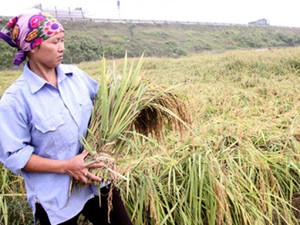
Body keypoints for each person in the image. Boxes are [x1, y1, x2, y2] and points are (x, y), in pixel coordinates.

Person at [0, 9, 132, 225]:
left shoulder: (76, 76)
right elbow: (15, 156)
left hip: (96, 180)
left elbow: (104, 104)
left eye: (62, 40)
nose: (62, 48)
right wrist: (66, 166)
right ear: (32, 47)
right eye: (54, 42)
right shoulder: (15, 100)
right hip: (55, 197)